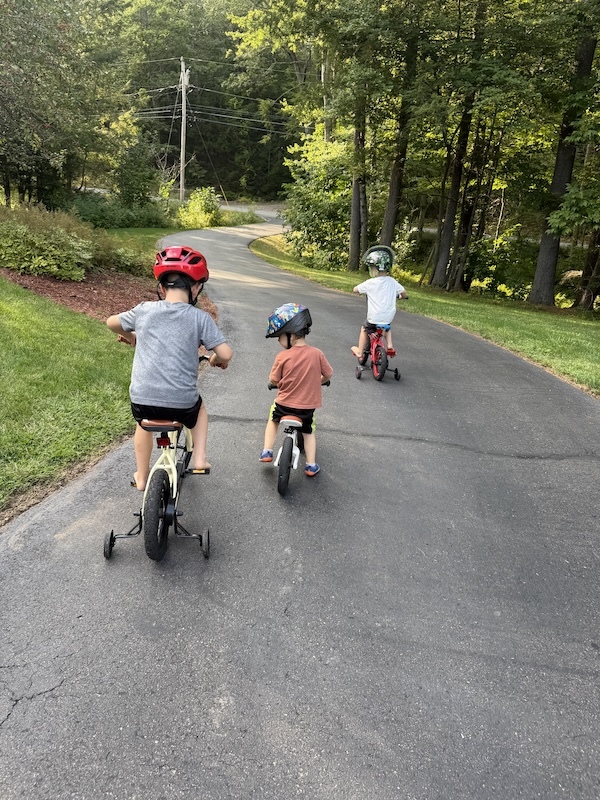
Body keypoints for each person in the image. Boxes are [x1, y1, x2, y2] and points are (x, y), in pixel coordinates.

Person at [106, 245, 232, 491]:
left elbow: (111, 322)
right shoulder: (200, 318)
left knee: (142, 424)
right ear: (196, 288)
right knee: (200, 410)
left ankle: (142, 476)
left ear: (162, 288)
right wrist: (215, 359)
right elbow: (225, 353)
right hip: (182, 403)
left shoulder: (144, 310)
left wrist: (132, 337)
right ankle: (200, 458)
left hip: (142, 399)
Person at [260, 303, 333, 477]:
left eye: (280, 336)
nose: (278, 341)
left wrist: (276, 383)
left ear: (291, 334)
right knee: (309, 432)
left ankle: (267, 450)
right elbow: (328, 374)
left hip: (283, 405)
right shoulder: (317, 354)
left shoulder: (282, 356)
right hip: (306, 409)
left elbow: (273, 380)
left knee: (273, 419)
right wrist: (318, 382)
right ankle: (311, 465)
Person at [350, 245, 408, 358]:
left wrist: (359, 291)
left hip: (374, 317)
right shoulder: (392, 281)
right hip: (388, 317)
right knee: (387, 327)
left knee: (364, 329)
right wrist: (402, 297)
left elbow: (355, 289)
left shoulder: (370, 283)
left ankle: (360, 351)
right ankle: (390, 345)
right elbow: (404, 292)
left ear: (374, 268)